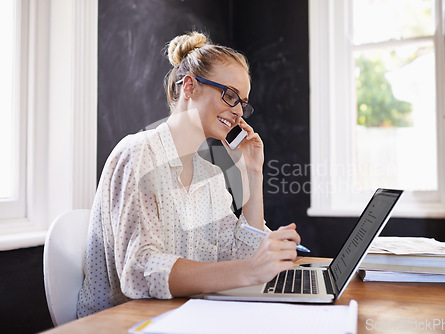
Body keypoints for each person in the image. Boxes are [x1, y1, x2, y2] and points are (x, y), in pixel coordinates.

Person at [77, 31, 301, 317]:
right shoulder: (139, 154)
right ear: (190, 87)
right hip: (122, 321)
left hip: (181, 315)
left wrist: (253, 172)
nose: (238, 112)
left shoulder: (209, 174)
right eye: (230, 95)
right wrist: (249, 269)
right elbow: (139, 269)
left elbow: (242, 257)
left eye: (243, 103)